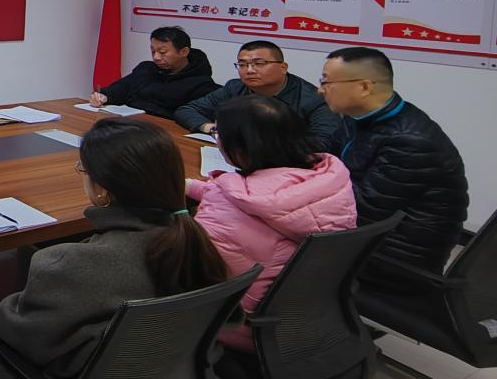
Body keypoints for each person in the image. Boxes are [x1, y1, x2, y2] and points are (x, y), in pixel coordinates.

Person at [0, 119, 227, 379]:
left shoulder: (70, 264)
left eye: (82, 169)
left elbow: (17, 334)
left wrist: (2, 307)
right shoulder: (198, 244)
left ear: (102, 191)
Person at [186, 95, 356, 351]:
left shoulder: (226, 207)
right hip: (309, 319)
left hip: (237, 325)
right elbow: (259, 197)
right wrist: (191, 186)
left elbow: (190, 272)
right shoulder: (330, 179)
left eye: (218, 133)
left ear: (241, 147)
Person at [320, 46, 468, 272]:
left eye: (327, 82)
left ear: (364, 87)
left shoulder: (410, 141)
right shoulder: (359, 117)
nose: (320, 90)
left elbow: (361, 210)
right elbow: (323, 156)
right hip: (369, 237)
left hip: (397, 258)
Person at [175, 40, 340, 148]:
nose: (249, 70)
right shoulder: (235, 88)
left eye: (259, 63)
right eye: (242, 64)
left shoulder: (314, 99)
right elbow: (187, 110)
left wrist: (260, 143)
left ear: (283, 67)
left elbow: (325, 143)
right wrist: (212, 128)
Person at [88, 26, 218, 119]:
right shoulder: (146, 69)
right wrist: (103, 96)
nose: (156, 57)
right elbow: (120, 89)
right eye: (153, 51)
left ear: (184, 52)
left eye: (162, 52)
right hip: (131, 126)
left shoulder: (201, 83)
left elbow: (193, 116)